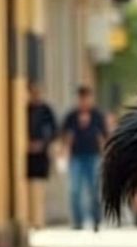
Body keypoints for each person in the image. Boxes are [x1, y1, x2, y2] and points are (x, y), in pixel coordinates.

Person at [62, 85, 109, 232]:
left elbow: (104, 136)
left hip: (93, 156)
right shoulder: (71, 116)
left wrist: (105, 155)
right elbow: (64, 136)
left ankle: (96, 220)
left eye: (86, 98)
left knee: (94, 189)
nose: (84, 101)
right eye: (81, 98)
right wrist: (65, 152)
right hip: (76, 157)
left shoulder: (97, 116)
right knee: (75, 190)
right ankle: (78, 221)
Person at [25, 84, 58, 230]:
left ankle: (39, 220)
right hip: (27, 154)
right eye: (33, 92)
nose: (35, 95)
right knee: (28, 186)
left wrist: (43, 144)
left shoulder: (46, 110)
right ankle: (29, 219)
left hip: (42, 153)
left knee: (40, 186)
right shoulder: (25, 109)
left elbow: (53, 131)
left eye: (38, 92)